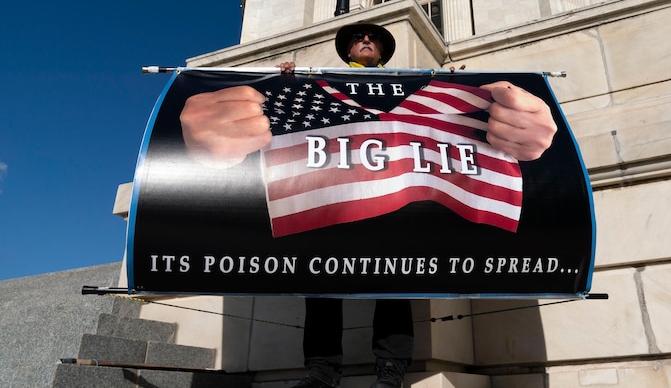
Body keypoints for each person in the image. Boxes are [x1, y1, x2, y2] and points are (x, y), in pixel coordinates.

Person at [179, 22, 558, 388]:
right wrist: (283, 82)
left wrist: (460, 83)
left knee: (393, 283)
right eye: (358, 37)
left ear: (382, 51)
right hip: (331, 198)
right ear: (346, 50)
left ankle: (391, 368)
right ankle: (321, 369)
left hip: (393, 201)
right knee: (321, 281)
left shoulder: (408, 86)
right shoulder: (317, 84)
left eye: (373, 37)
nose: (365, 40)